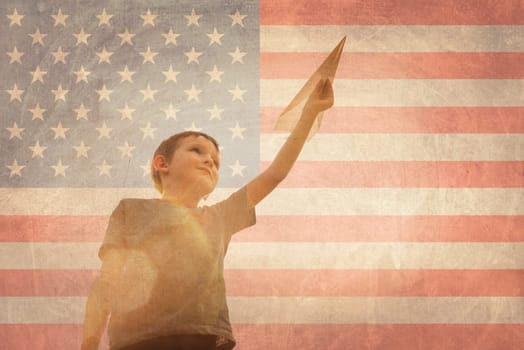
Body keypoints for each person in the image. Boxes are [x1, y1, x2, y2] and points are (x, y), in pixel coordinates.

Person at [81, 78, 334, 350]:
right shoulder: (131, 209)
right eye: (197, 151)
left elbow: (275, 174)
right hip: (139, 341)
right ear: (161, 163)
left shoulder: (221, 217)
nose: (209, 161)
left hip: (206, 340)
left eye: (215, 161)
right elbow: (107, 279)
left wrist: (309, 114)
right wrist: (89, 344)